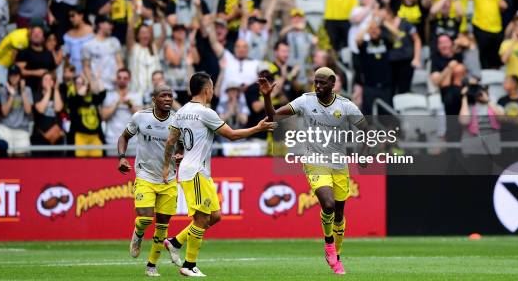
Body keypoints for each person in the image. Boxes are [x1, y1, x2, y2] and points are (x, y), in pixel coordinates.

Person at [161, 72, 276, 276]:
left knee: (214, 216)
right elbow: (231, 135)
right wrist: (258, 128)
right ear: (207, 89)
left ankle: (175, 242)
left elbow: (171, 140)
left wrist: (172, 161)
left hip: (194, 170)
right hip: (196, 171)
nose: (213, 91)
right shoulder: (206, 113)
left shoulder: (182, 111)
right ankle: (189, 265)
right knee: (202, 219)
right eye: (212, 87)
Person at [258, 67, 366, 275]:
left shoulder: (345, 106)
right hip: (314, 160)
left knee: (339, 215)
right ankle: (328, 244)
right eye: (315, 82)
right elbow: (273, 116)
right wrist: (267, 97)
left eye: (322, 83)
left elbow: (367, 130)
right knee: (328, 204)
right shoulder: (305, 101)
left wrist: (363, 153)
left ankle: (338, 257)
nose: (317, 86)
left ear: (333, 83)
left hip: (339, 164)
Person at [118, 84, 179, 277]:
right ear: (154, 99)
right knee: (145, 218)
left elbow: (185, 144)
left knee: (162, 226)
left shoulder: (178, 120)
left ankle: (152, 265)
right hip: (145, 175)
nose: (168, 99)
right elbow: (124, 137)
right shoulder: (140, 117)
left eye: (170, 95)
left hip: (168, 179)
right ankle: (137, 235)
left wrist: (180, 154)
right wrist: (121, 157)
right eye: (163, 95)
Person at [101, 68, 143, 156]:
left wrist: (130, 104)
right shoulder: (109, 95)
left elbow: (141, 117)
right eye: (119, 78)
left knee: (132, 168)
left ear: (129, 79)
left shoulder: (136, 95)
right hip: (113, 140)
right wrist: (116, 103)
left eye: (125, 78)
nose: (122, 80)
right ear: (116, 79)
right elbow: (103, 116)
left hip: (132, 141)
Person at [0, 65, 33, 157]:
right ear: (8, 76)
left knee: (21, 161)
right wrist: (12, 95)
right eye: (11, 75)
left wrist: (23, 91)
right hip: (5, 129)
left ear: (20, 76)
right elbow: (4, 112)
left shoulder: (27, 90)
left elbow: (28, 111)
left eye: (16, 75)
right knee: (5, 159)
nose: (14, 77)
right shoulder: (3, 90)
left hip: (22, 129)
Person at [81, 15, 124, 92]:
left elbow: (119, 62)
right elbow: (86, 66)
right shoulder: (88, 45)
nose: (112, 26)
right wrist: (91, 82)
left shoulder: (115, 41)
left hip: (113, 85)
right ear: (100, 24)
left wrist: (119, 79)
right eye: (109, 24)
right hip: (98, 86)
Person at [69, 74, 106, 157]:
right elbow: (77, 98)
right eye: (78, 83)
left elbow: (103, 94)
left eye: (83, 83)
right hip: (80, 137)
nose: (81, 85)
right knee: (80, 164)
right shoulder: (73, 99)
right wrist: (85, 83)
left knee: (98, 163)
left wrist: (97, 79)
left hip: (95, 137)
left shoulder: (93, 98)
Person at [16, 26, 57, 95]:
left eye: (39, 32)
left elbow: (53, 73)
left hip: (45, 92)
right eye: (34, 32)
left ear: (43, 38)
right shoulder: (24, 52)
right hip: (27, 91)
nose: (36, 34)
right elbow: (18, 72)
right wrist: (36, 73)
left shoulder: (48, 54)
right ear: (29, 37)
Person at [497, 75, 518, 142]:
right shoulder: (501, 100)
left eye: (506, 82)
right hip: (505, 136)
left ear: (514, 84)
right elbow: (498, 118)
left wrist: (507, 119)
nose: (503, 84)